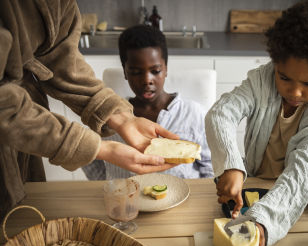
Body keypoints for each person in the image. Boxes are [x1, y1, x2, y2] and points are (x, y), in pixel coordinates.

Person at [0, 0, 178, 218]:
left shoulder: (60, 5)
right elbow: (5, 107)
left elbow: (63, 62)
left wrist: (123, 119)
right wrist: (102, 150)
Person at [205, 1, 308, 246]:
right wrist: (231, 166)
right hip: (254, 182)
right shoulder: (260, 80)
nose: (295, 92)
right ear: (275, 63)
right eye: (284, 78)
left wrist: (264, 220)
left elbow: (304, 170)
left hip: (294, 201)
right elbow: (221, 114)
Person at [82, 25, 213, 180]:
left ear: (166, 69)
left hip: (183, 201)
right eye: (136, 72)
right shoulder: (109, 116)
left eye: (155, 71)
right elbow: (90, 156)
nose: (147, 80)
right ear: (125, 71)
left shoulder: (194, 114)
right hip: (127, 200)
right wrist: (111, 184)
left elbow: (210, 166)